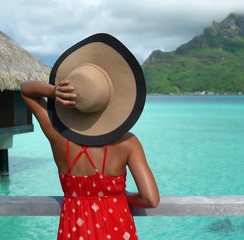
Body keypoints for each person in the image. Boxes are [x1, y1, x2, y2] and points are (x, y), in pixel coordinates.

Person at [21, 33, 159, 240]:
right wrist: (125, 196)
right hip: (117, 228)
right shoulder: (128, 143)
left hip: (73, 229)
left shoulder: (59, 136)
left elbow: (26, 90)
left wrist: (53, 91)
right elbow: (150, 199)